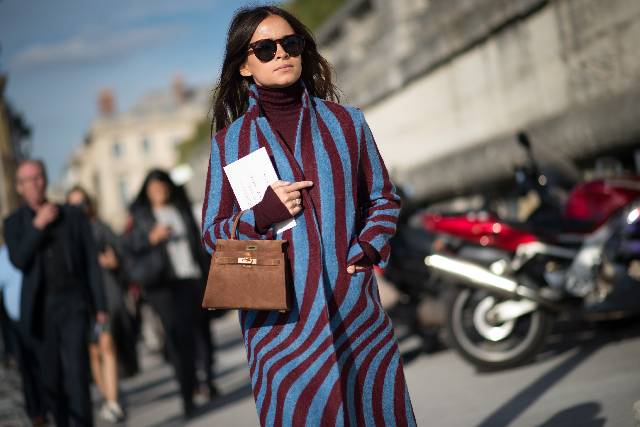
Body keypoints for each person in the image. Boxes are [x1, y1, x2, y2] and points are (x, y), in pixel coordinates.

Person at [202, 6, 416, 426]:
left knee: (374, 413)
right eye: (264, 49)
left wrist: (368, 247)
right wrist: (261, 214)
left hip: (353, 309)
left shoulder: (346, 123)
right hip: (279, 326)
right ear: (245, 66)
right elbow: (212, 234)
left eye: (290, 43)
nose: (281, 54)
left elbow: (384, 198)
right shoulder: (229, 144)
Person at [3, 159, 107, 427]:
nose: (35, 183)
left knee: (77, 370)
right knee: (51, 377)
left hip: (74, 302)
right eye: (28, 180)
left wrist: (100, 306)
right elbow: (19, 259)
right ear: (19, 187)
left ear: (46, 179)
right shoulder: (14, 223)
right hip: (40, 309)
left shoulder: (71, 215)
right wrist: (37, 226)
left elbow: (90, 263)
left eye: (38, 176)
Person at [125, 169, 215, 418]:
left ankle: (207, 378)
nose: (159, 193)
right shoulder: (141, 216)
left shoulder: (181, 209)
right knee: (177, 339)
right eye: (153, 190)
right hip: (162, 285)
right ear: (147, 192)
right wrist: (151, 239)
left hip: (191, 278)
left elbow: (198, 243)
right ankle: (188, 393)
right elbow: (128, 248)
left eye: (162, 188)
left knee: (200, 332)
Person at [66, 186, 134, 423]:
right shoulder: (68, 232)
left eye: (83, 202)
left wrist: (112, 261)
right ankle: (108, 397)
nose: (79, 208)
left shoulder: (99, 226)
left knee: (107, 345)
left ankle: (113, 401)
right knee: (94, 351)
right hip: (82, 300)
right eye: (73, 204)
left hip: (105, 294)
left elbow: (121, 253)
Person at [0, 237, 47, 425]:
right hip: (16, 321)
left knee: (43, 364)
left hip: (37, 315)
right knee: (27, 367)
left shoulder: (20, 250)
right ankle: (36, 410)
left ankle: (47, 404)